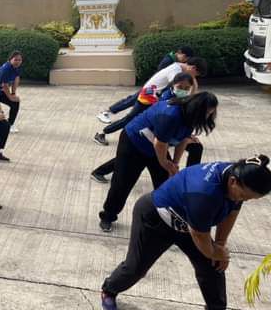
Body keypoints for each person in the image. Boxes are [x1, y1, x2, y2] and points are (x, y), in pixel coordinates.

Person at [100, 156, 271, 310]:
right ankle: (109, 290)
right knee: (136, 268)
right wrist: (215, 253)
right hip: (155, 219)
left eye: (250, 198)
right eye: (244, 196)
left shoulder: (240, 176)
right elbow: (199, 234)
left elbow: (232, 211)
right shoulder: (204, 192)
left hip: (188, 224)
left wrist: (220, 246)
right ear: (233, 181)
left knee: (213, 268)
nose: (244, 200)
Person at [98, 91, 218, 232]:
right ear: (197, 108)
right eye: (207, 113)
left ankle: (160, 220)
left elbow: (182, 140)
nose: (207, 117)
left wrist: (174, 164)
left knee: (166, 185)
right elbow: (159, 144)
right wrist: (165, 164)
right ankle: (108, 216)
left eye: (210, 113)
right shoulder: (170, 115)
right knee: (122, 182)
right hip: (134, 143)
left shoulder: (190, 116)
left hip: (157, 146)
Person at [91, 73, 204, 183]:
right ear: (173, 85)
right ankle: (100, 171)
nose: (183, 90)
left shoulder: (187, 99)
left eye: (187, 88)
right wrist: (172, 161)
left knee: (196, 147)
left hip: (165, 136)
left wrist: (186, 134)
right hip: (152, 135)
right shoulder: (167, 98)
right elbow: (164, 124)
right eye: (180, 87)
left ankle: (190, 178)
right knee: (131, 157)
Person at [94, 56, 207, 146]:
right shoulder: (176, 72)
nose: (194, 77)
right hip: (148, 96)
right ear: (193, 68)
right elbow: (178, 87)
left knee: (141, 117)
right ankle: (102, 133)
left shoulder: (179, 67)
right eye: (196, 75)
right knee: (130, 119)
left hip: (152, 94)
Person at [96, 47, 196, 129]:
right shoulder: (170, 61)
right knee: (130, 102)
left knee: (130, 101)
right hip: (151, 89)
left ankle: (108, 112)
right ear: (182, 54)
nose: (185, 60)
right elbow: (163, 74)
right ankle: (106, 113)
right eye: (186, 58)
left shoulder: (172, 60)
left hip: (152, 88)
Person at [0, 51, 23, 133]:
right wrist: (10, 97)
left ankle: (10, 124)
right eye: (15, 59)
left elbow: (16, 78)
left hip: (1, 90)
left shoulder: (15, 67)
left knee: (15, 102)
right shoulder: (6, 69)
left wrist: (13, 93)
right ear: (10, 59)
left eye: (20, 60)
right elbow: (4, 85)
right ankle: (9, 125)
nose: (18, 62)